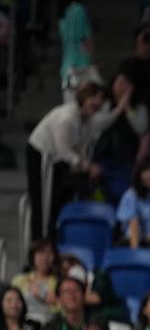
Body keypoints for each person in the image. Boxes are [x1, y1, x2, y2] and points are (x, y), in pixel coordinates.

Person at [26, 83, 107, 240]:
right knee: (42, 203)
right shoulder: (67, 117)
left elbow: (79, 147)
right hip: (42, 154)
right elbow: (63, 150)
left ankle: (56, 236)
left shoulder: (87, 120)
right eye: (93, 100)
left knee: (63, 198)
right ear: (83, 99)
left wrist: (84, 165)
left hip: (61, 158)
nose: (97, 104)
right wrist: (86, 166)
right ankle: (40, 243)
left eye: (100, 101)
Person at [92, 71, 147, 173]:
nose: (122, 86)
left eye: (126, 83)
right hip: (105, 154)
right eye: (119, 82)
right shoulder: (104, 105)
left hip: (131, 155)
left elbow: (141, 129)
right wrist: (118, 109)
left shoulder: (139, 107)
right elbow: (99, 125)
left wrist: (127, 109)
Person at [10, 239, 59, 326]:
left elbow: (64, 307)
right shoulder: (19, 280)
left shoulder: (58, 282)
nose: (45, 258)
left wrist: (43, 294)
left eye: (49, 253)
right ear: (33, 256)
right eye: (41, 253)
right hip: (21, 324)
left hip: (48, 326)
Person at [57, 0, 95, 97]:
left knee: (69, 103)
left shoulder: (62, 13)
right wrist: (91, 58)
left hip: (66, 67)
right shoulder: (79, 10)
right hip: (81, 66)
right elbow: (86, 39)